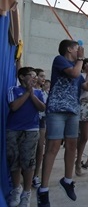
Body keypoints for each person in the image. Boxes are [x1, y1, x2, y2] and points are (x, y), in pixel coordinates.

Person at [37, 40, 88, 207]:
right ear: (68, 49)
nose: (78, 50)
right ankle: (43, 190)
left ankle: (67, 180)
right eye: (75, 48)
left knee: (72, 146)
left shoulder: (77, 69)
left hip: (73, 111)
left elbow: (86, 87)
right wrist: (81, 59)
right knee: (53, 147)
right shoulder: (60, 60)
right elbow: (73, 73)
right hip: (57, 110)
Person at [6, 67, 46, 207]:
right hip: (13, 129)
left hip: (31, 129)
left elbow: (42, 108)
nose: (35, 78)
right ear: (22, 77)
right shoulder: (13, 90)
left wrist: (32, 94)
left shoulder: (39, 92)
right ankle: (17, 188)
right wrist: (27, 93)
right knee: (14, 160)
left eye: (36, 76)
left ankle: (27, 193)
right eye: (31, 75)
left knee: (29, 161)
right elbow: (14, 107)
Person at [32, 68, 48, 188]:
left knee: (39, 148)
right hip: (30, 121)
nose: (43, 78)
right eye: (41, 76)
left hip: (41, 121)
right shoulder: (30, 90)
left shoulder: (44, 93)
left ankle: (36, 174)